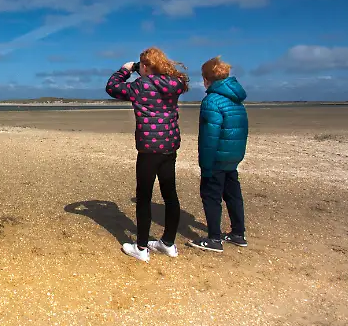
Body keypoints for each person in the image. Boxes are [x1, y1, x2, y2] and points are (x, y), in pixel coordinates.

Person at [105, 47, 189, 262]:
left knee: (144, 196)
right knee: (170, 194)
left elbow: (112, 88)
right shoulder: (175, 84)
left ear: (144, 66)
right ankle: (168, 243)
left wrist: (125, 70)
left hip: (149, 149)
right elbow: (177, 80)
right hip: (169, 146)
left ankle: (141, 247)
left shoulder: (141, 85)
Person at [188, 56, 249, 253]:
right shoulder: (236, 100)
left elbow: (209, 136)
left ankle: (214, 238)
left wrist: (205, 165)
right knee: (232, 194)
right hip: (232, 157)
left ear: (207, 79)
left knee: (211, 195)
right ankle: (238, 233)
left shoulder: (211, 101)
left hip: (217, 158)